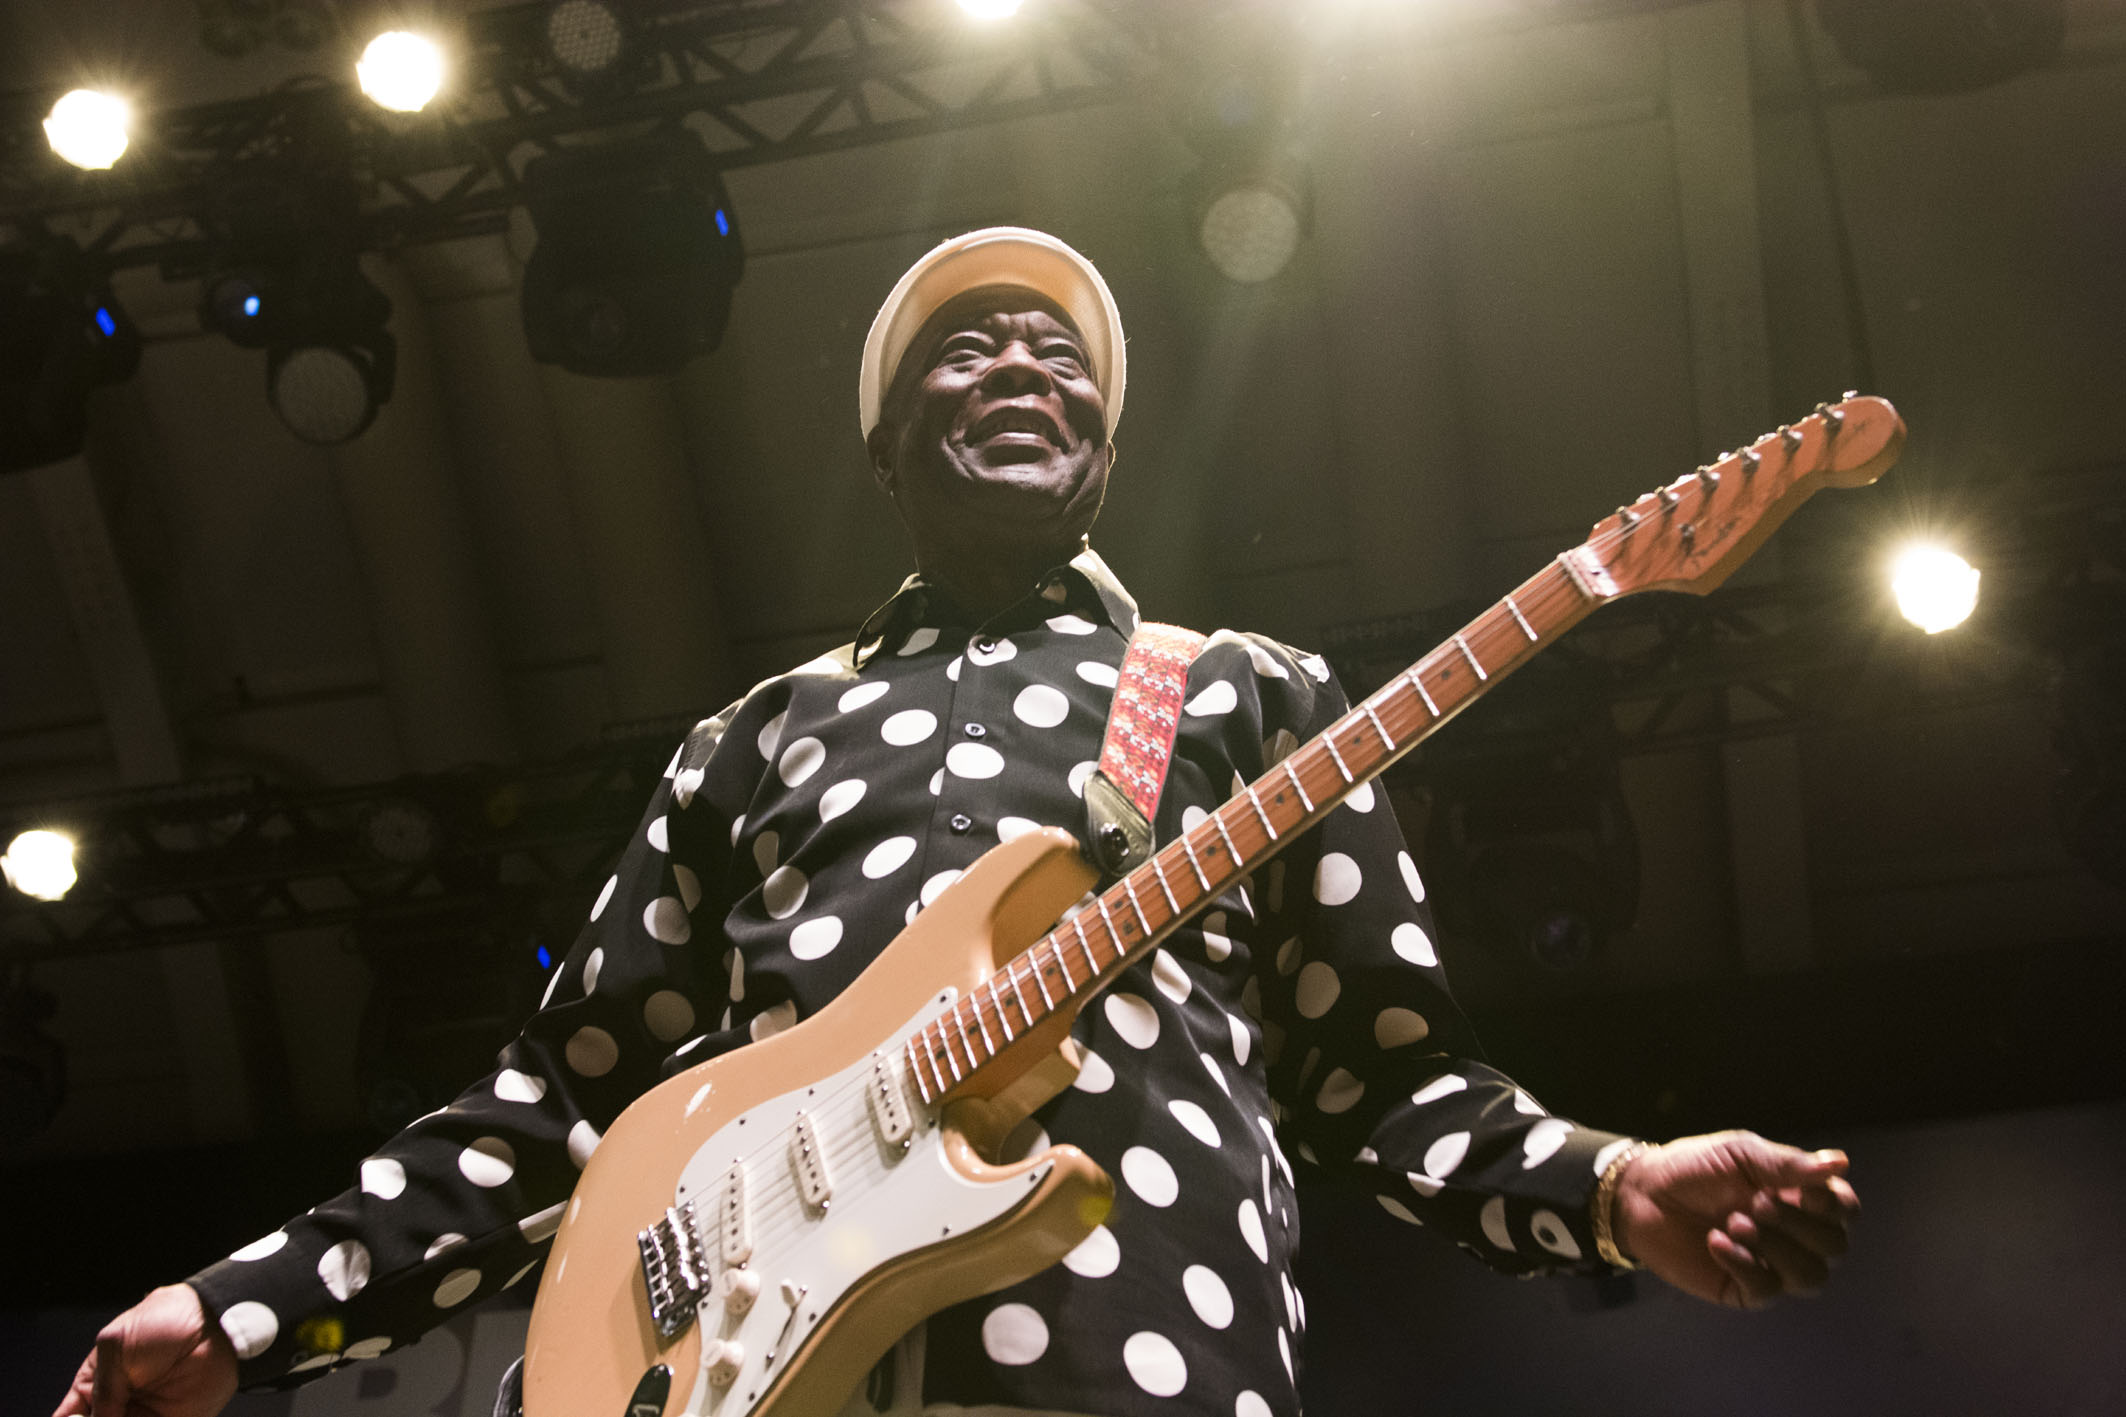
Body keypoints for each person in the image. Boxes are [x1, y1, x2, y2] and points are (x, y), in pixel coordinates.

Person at [56, 228, 1858, 1417]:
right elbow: (559, 1104)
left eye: (1057, 356)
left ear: (1105, 445)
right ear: (884, 438)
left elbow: (1385, 1079)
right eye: (966, 345)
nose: (1021, 369)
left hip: (1136, 1355)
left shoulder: (1237, 691)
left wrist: (1609, 1185)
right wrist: (243, 1307)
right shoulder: (759, 738)